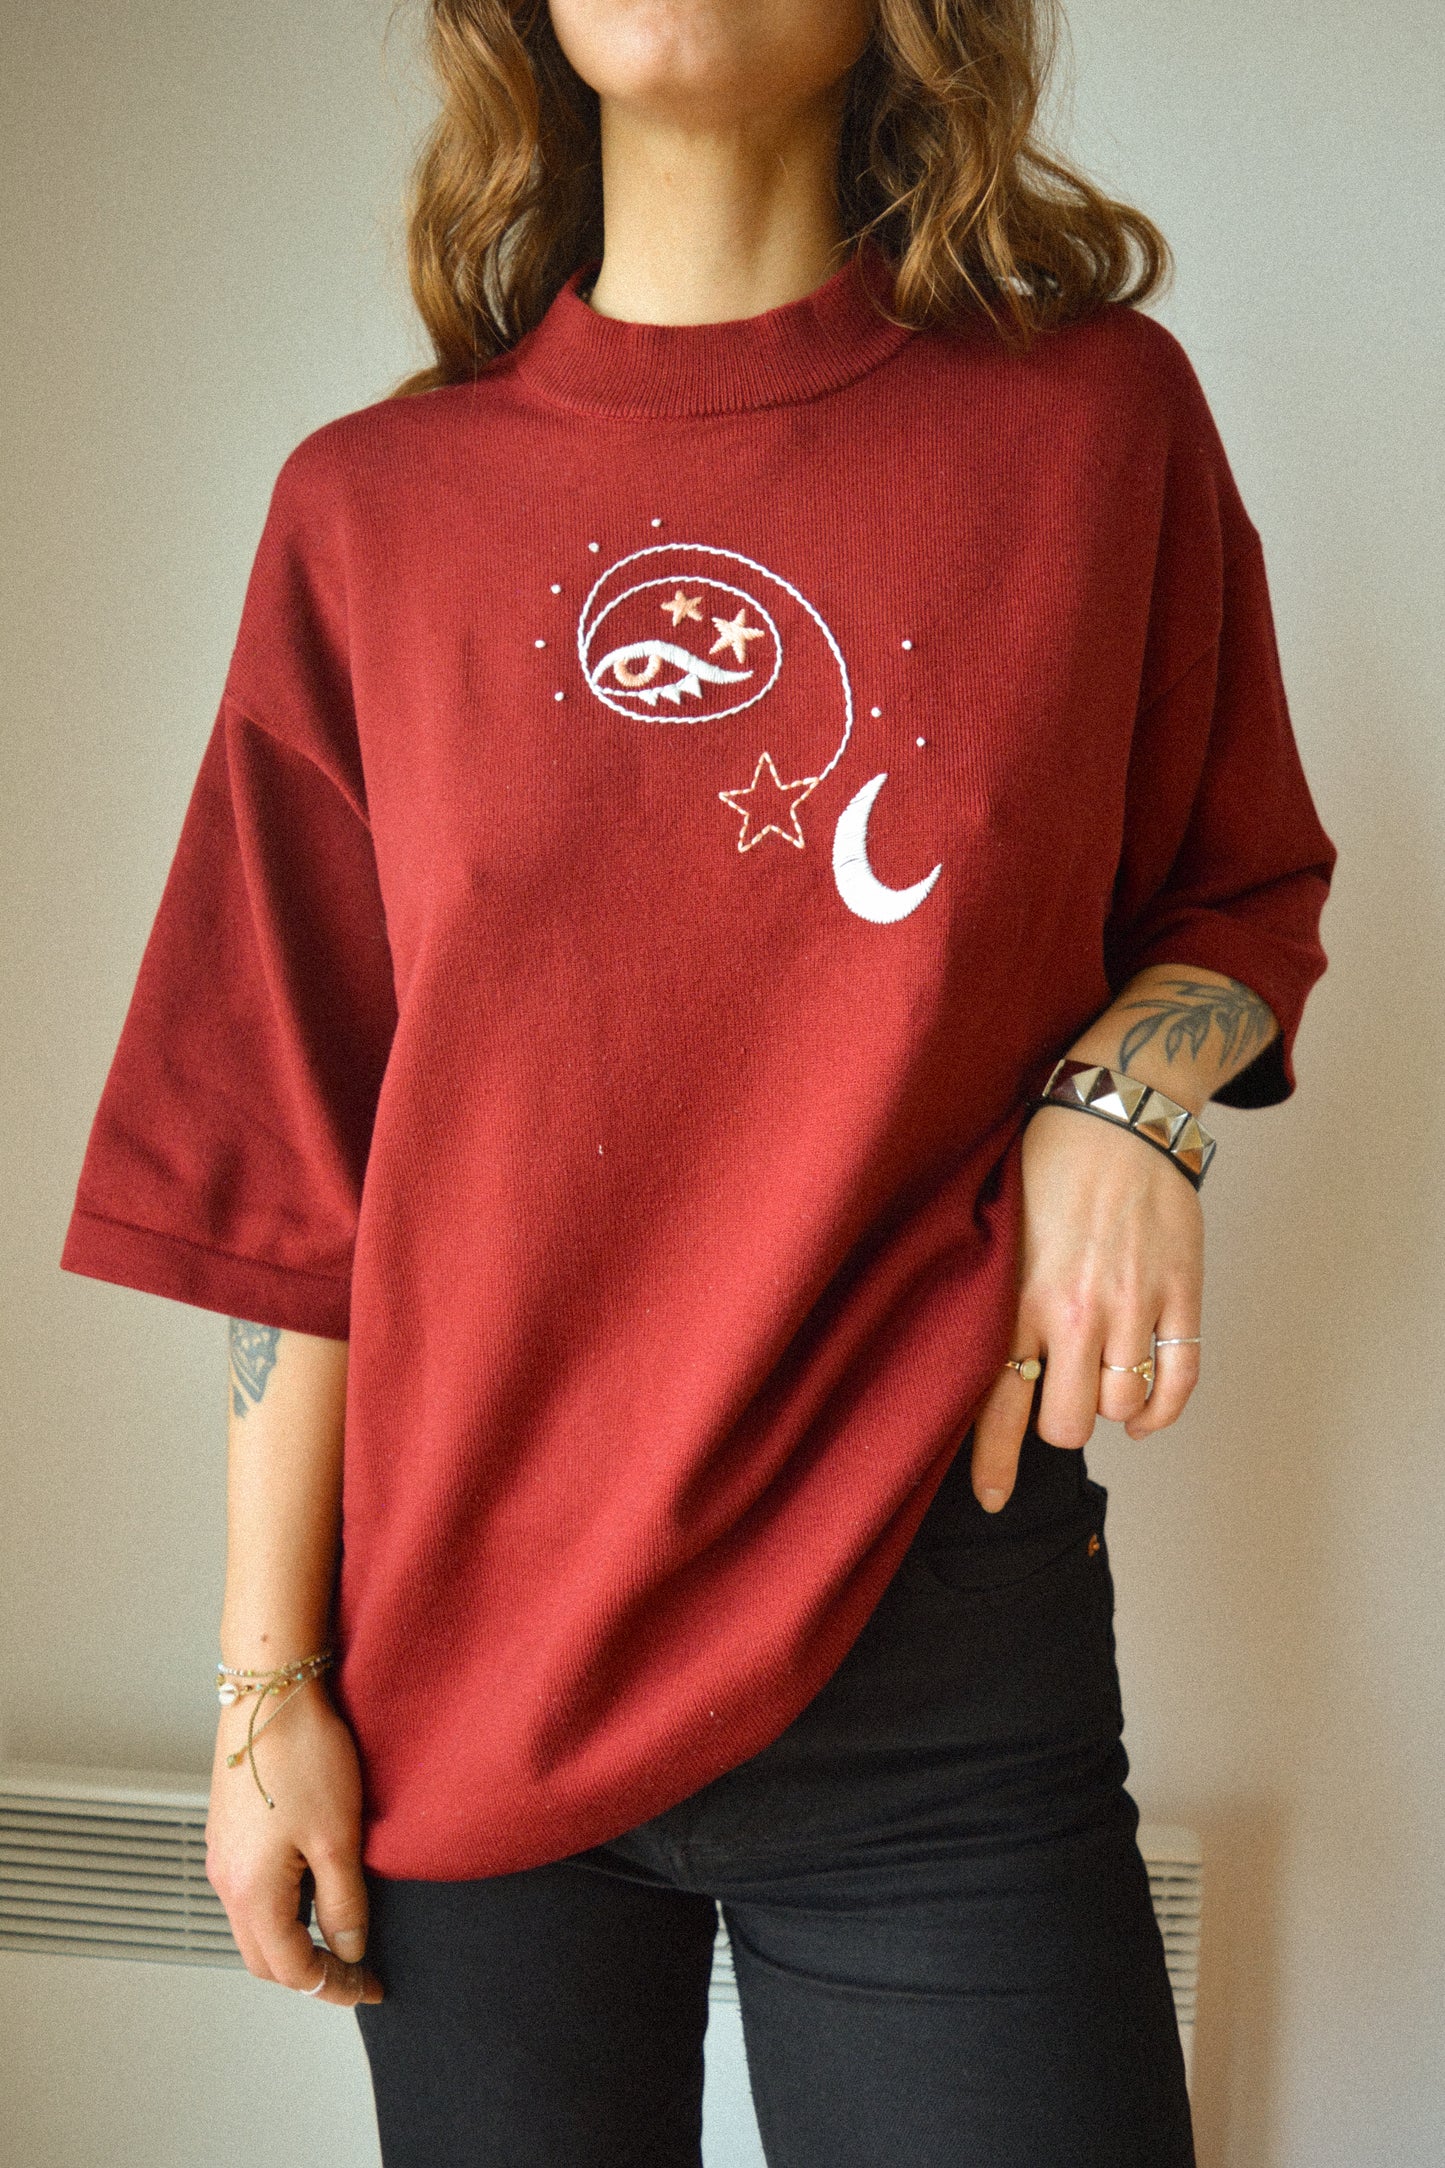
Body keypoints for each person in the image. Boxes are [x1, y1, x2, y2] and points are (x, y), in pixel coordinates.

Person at [59, 2, 1336, 2161]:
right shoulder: (369, 514)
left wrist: (1120, 1096)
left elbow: (1238, 893)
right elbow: (292, 1157)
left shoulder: (1094, 430)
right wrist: (264, 1687)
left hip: (938, 1658)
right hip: (465, 1663)